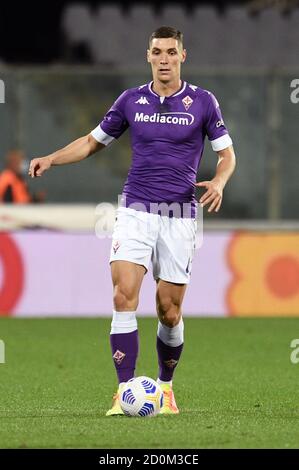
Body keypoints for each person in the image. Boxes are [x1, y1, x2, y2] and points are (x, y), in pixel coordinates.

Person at [29, 26, 236, 416]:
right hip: (134, 211)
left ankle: (166, 388)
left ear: (182, 56)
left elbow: (227, 155)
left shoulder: (204, 103)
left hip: (179, 216)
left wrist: (221, 181)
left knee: (169, 311)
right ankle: (124, 390)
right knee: (124, 295)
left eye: (171, 53)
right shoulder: (130, 101)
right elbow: (92, 142)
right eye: (157, 52)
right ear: (148, 56)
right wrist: (52, 158)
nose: (163, 59)